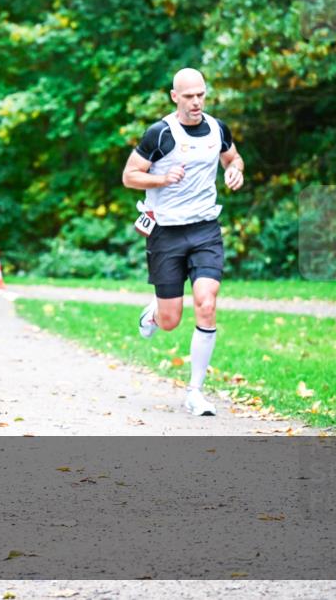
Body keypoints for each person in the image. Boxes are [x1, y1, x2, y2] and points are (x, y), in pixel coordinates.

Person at [122, 68, 245, 417]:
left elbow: (232, 156)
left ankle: (195, 391)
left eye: (201, 95)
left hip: (205, 228)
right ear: (174, 97)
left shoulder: (217, 128)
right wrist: (161, 179)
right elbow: (129, 176)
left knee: (206, 302)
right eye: (188, 96)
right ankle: (155, 312)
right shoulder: (160, 133)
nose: (196, 102)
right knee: (171, 318)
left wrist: (235, 169)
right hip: (166, 233)